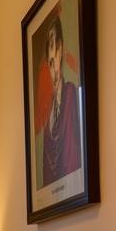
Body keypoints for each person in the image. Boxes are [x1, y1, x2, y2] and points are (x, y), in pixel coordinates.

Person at [40, 15, 82, 187]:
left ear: (60, 49)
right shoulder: (48, 112)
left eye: (54, 47)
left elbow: (73, 151)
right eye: (48, 51)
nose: (51, 59)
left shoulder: (71, 93)